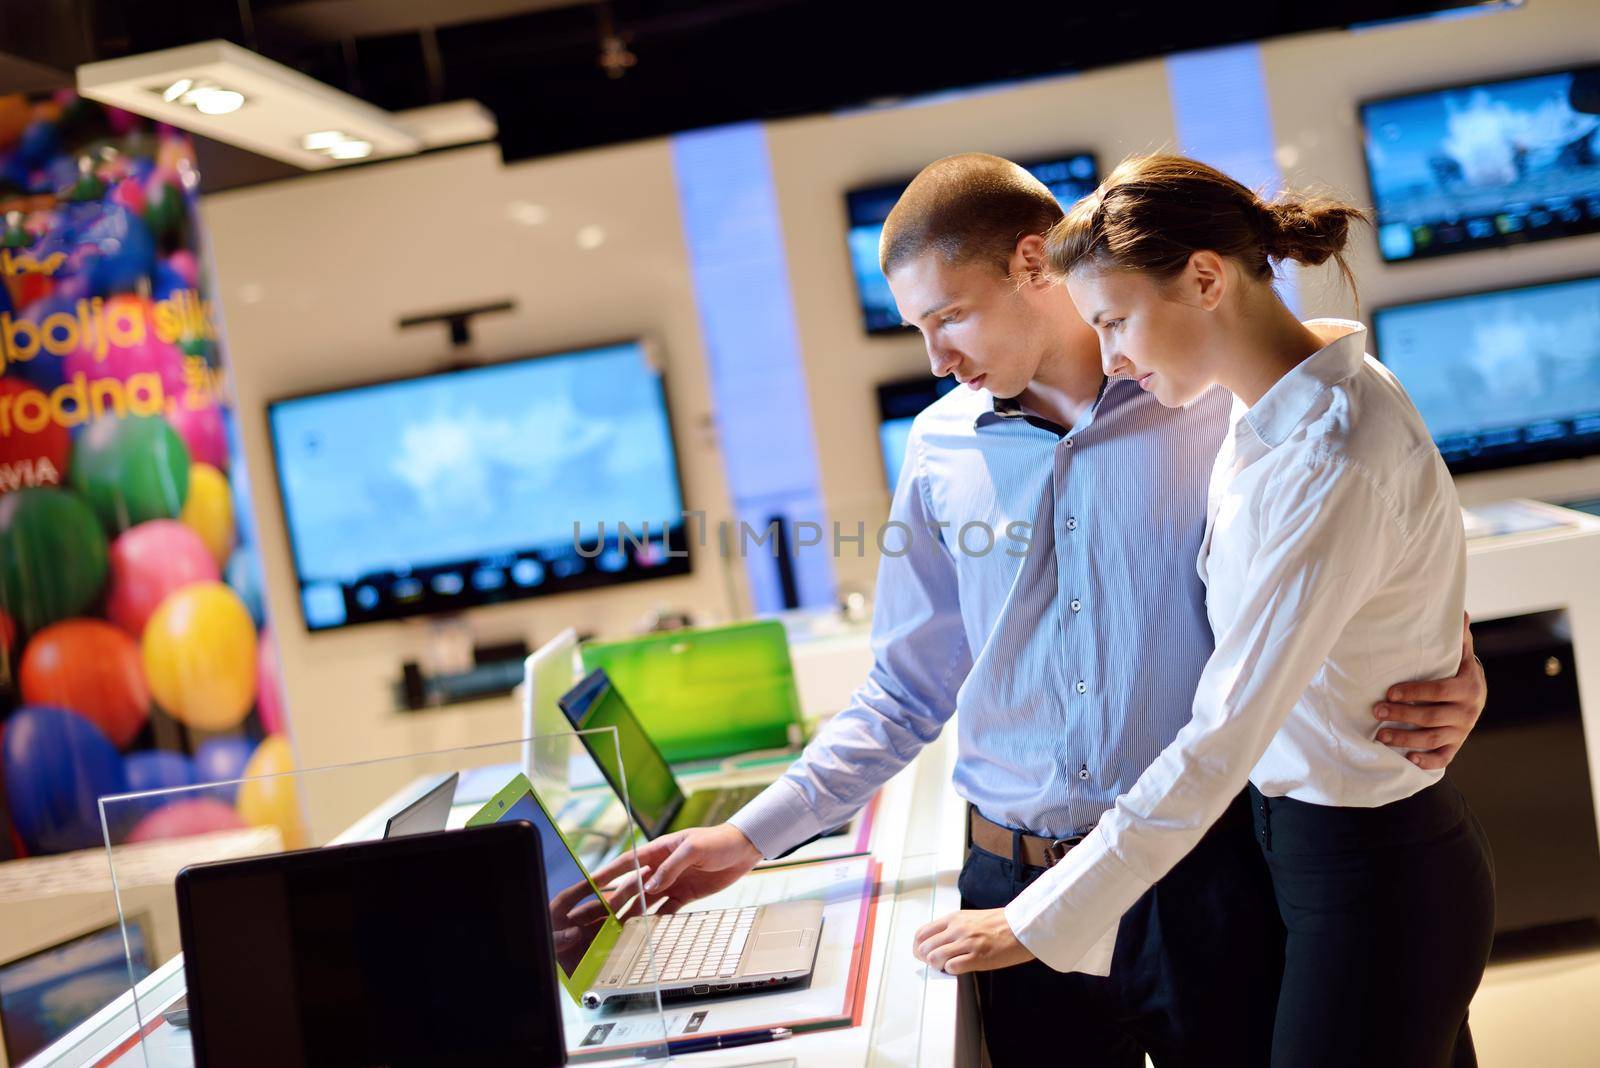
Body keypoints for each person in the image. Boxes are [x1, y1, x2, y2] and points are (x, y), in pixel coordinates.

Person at [592, 154, 1488, 1066]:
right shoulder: (939, 449)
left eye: (949, 317)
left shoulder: (1214, 393)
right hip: (1005, 878)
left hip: (1209, 879)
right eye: (917, 328)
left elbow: (1375, 538)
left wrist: (1452, 659)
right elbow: (905, 690)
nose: (936, 359)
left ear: (1032, 265)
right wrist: (751, 835)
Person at [913, 154, 1495, 1067]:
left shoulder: (1328, 449)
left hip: (1370, 863)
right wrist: (1444, 654)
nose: (1110, 358)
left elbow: (1224, 728)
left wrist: (1035, 922)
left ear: (1206, 278)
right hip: (1296, 853)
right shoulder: (1258, 416)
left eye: (1112, 322)